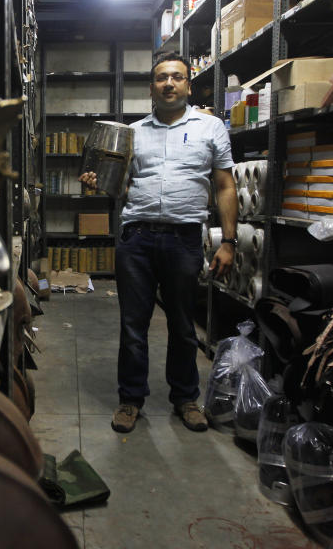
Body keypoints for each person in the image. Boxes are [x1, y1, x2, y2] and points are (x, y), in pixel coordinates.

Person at [79, 51, 238, 434]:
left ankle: (185, 398)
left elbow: (225, 185)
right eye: (162, 78)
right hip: (137, 238)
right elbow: (123, 187)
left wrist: (229, 241)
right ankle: (131, 399)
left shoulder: (210, 128)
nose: (169, 83)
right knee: (134, 324)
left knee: (183, 325)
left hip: (184, 239)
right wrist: (99, 184)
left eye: (177, 77)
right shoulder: (133, 133)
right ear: (151, 87)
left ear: (189, 84)